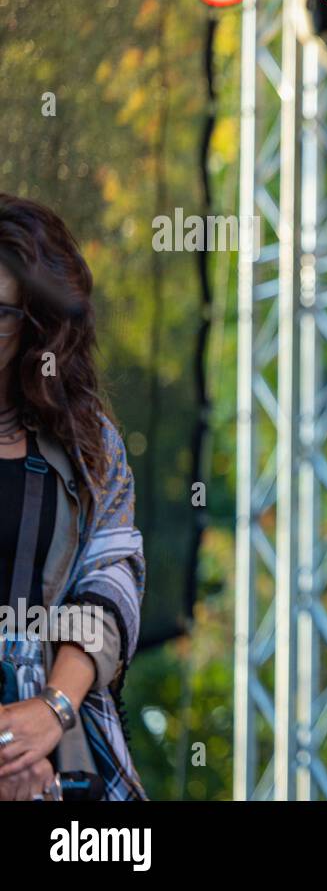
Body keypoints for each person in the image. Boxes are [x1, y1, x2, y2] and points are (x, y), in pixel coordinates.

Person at [0, 194, 148, 801]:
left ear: (39, 328)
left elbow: (110, 581)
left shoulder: (90, 445)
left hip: (65, 761)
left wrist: (50, 711)